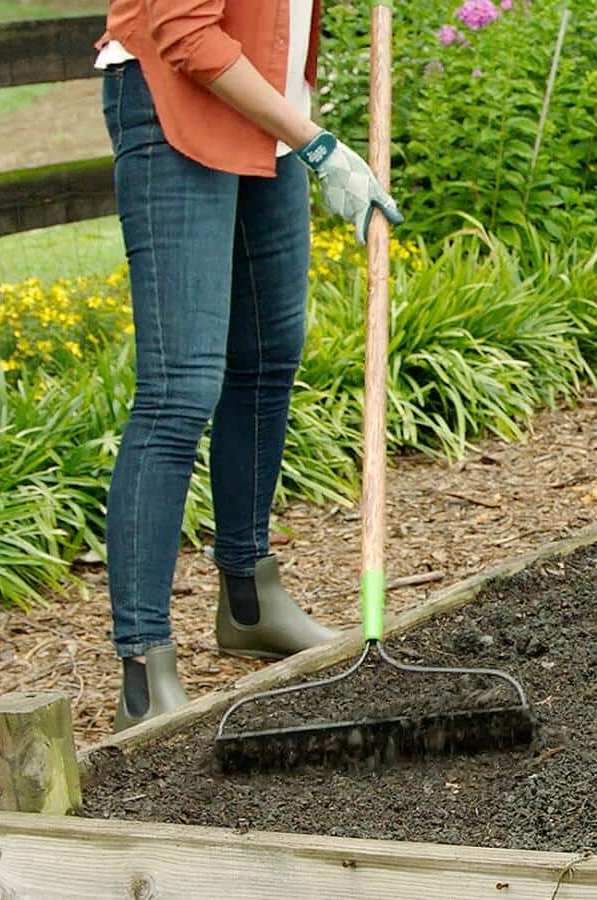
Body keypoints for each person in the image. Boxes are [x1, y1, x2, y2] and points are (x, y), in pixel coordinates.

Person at [96, 0, 403, 731]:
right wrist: (319, 144)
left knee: (268, 357)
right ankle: (144, 671)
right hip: (175, 100)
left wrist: (298, 129)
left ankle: (249, 599)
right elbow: (182, 30)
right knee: (181, 388)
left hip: (263, 109)